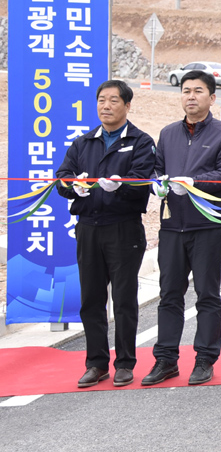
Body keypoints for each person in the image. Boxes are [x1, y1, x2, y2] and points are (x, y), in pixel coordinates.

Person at [142, 70, 221, 387]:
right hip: (172, 226)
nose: (191, 96)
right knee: (169, 294)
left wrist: (195, 183)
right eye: (186, 91)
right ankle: (166, 359)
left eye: (199, 91)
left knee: (207, 294)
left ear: (212, 98)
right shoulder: (168, 133)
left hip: (208, 225)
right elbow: (158, 168)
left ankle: (204, 359)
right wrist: (157, 184)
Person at [55, 80, 155, 388]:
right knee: (91, 299)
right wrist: (72, 185)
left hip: (123, 229)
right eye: (101, 100)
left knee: (124, 299)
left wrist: (119, 185)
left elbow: (142, 181)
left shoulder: (140, 141)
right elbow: (62, 177)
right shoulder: (84, 142)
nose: (106, 106)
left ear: (127, 105)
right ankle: (96, 362)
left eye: (113, 100)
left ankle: (125, 363)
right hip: (88, 228)